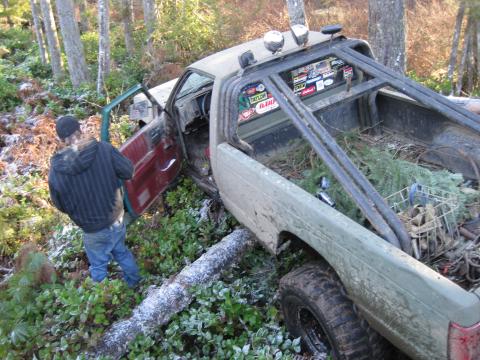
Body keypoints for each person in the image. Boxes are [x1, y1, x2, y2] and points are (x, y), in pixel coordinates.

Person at [48, 115, 141, 288]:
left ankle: (105, 299)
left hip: (91, 229)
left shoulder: (56, 171)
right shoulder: (104, 150)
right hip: (115, 218)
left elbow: (60, 204)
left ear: (61, 140)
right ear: (80, 130)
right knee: (121, 252)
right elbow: (128, 171)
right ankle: (135, 285)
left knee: (98, 266)